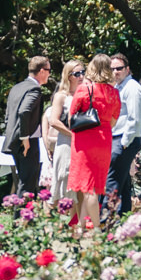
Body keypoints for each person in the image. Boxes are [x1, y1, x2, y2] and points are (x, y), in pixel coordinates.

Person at [67, 55, 121, 230]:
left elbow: (71, 118)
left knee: (87, 187)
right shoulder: (114, 92)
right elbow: (114, 121)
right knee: (94, 185)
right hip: (104, 141)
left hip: (84, 141)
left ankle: (97, 228)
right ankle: (82, 226)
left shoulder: (84, 89)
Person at [1, 56, 50, 196]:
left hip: (14, 139)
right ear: (41, 71)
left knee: (24, 180)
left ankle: (21, 215)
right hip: (27, 141)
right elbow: (24, 111)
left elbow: (8, 115)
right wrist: (25, 138)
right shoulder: (34, 89)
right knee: (28, 182)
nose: (49, 74)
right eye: (48, 70)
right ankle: (22, 217)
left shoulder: (17, 87)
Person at [106, 54, 141, 218]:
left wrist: (123, 143)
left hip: (124, 139)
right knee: (123, 183)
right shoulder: (119, 87)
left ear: (127, 69)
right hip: (117, 138)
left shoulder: (132, 88)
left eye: (119, 68)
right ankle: (124, 218)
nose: (115, 72)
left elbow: (134, 118)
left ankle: (105, 219)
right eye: (112, 69)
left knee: (112, 180)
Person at [42, 59, 83, 194]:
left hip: (83, 143)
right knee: (63, 181)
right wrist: (72, 134)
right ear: (68, 76)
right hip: (66, 142)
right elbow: (53, 121)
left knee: (80, 186)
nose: (81, 77)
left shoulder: (85, 93)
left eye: (83, 72)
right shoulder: (61, 96)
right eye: (77, 74)